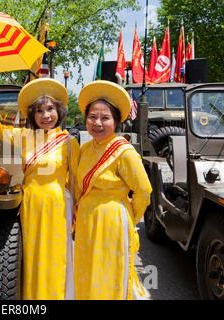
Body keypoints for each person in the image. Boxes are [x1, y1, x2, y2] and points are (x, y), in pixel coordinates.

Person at [0, 78, 80, 300]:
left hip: (58, 206)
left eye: (50, 109)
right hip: (30, 205)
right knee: (32, 257)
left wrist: (78, 213)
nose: (46, 115)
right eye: (39, 111)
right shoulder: (24, 137)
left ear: (59, 112)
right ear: (32, 115)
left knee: (56, 256)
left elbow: (77, 181)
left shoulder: (68, 143)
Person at [72, 80, 152, 300]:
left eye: (105, 118)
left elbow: (144, 191)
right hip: (86, 222)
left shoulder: (124, 152)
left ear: (116, 121)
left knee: (108, 277)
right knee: (86, 274)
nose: (97, 123)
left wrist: (130, 218)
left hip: (112, 224)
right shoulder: (85, 149)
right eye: (92, 117)